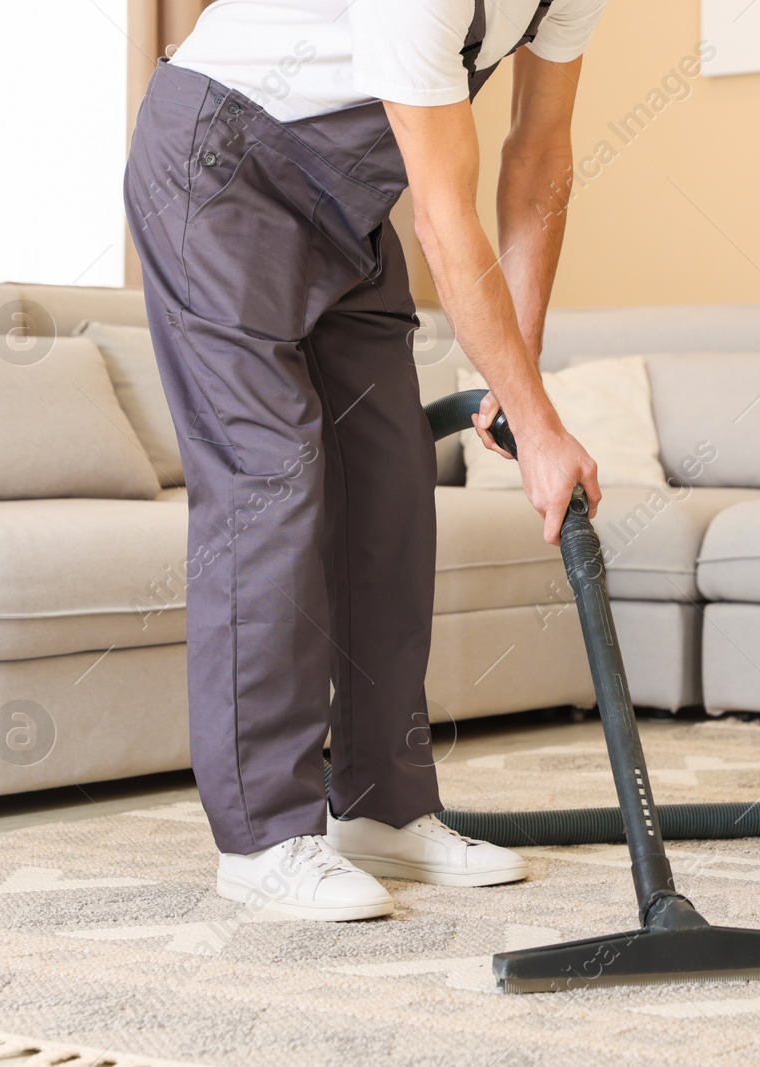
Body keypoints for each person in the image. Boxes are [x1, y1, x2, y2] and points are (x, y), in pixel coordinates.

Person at [124, 0, 606, 922]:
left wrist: (520, 379)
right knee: (268, 476)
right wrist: (542, 429)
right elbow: (439, 212)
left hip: (343, 204)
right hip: (218, 169)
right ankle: (264, 833)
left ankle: (383, 805)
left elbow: (540, 156)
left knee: (389, 478)